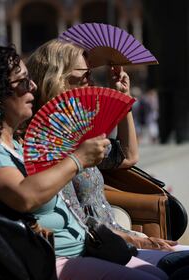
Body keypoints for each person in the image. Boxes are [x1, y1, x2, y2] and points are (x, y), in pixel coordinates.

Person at [0, 46, 177, 280]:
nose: (32, 87)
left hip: (88, 246)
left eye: (30, 79)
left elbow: (125, 157)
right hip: (50, 263)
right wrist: (77, 159)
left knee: (166, 278)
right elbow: (23, 196)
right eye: (22, 82)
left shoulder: (17, 145)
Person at [26, 39, 189, 262]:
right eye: (84, 75)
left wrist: (122, 99)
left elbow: (128, 156)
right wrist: (140, 242)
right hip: (103, 247)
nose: (91, 82)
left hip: (122, 239)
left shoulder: (75, 134)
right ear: (56, 79)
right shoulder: (42, 146)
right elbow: (76, 220)